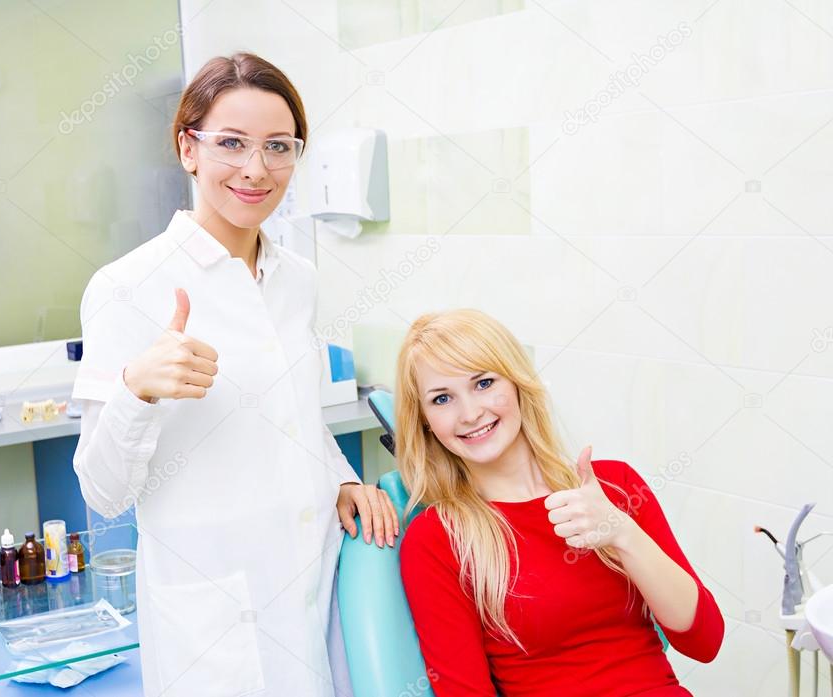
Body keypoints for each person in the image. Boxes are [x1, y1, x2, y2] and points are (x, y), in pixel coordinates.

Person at [72, 52, 398, 697]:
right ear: (188, 148)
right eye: (231, 144)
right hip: (216, 617)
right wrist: (137, 389)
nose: (256, 169)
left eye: (278, 147)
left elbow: (294, 418)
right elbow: (101, 493)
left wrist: (341, 479)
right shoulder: (126, 287)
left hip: (317, 580)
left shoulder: (296, 279)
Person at [395, 309, 723, 696]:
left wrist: (622, 533)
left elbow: (704, 642)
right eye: (442, 398)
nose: (470, 413)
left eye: (483, 383)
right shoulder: (437, 539)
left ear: (517, 383)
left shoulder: (614, 486)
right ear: (425, 421)